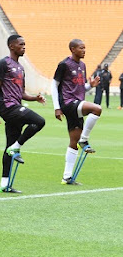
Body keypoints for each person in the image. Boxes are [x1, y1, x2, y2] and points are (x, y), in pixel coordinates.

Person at [0, 35, 46, 194]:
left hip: (16, 105)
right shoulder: (3, 64)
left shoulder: (20, 68)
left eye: (25, 44)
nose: (24, 47)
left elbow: (21, 93)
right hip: (8, 107)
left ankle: (4, 184)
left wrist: (34, 98)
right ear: (11, 46)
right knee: (39, 121)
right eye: (21, 44)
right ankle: (17, 147)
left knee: (9, 146)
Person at [51, 39, 102, 185]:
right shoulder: (64, 64)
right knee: (97, 109)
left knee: (73, 142)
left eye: (85, 48)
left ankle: (66, 177)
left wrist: (90, 86)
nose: (84, 50)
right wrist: (57, 107)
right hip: (68, 103)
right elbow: (54, 85)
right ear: (73, 49)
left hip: (77, 103)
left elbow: (79, 88)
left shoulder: (83, 65)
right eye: (81, 48)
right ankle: (84, 139)